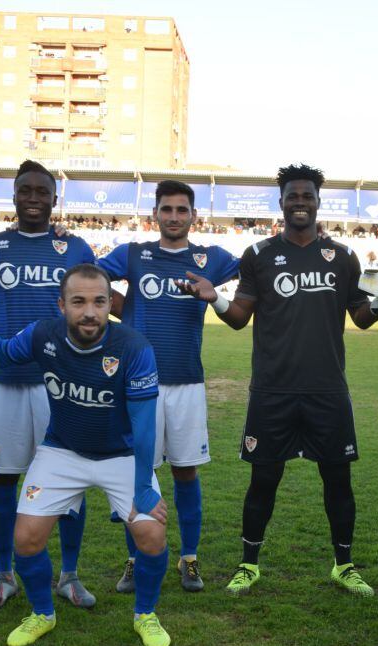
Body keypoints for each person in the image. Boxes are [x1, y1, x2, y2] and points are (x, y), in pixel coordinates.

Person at [177, 163, 378, 596]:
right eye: (293, 196)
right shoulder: (259, 255)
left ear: (317, 202)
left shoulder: (343, 256)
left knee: (338, 481)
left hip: (328, 390)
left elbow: (362, 318)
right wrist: (215, 297)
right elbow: (238, 319)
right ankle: (248, 563)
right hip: (272, 390)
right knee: (263, 481)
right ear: (282, 202)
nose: (300, 203)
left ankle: (343, 565)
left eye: (307, 196)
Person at [0, 264, 172, 646]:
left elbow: (144, 428)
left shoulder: (134, 348)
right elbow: (5, 355)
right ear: (61, 305)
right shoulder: (44, 333)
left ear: (111, 303)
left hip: (121, 455)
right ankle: (43, 612)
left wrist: (144, 486)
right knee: (25, 539)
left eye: (98, 301)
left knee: (152, 535)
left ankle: (146, 614)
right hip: (63, 449)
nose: (90, 312)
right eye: (79, 301)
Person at [0, 160, 98, 610]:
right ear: (13, 196)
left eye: (42, 192)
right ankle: (5, 574)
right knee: (4, 480)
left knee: (70, 480)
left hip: (62, 384)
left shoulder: (74, 247)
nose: (34, 199)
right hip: (7, 382)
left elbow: (96, 304)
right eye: (25, 191)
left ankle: (69, 574)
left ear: (55, 199)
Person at [99, 180, 240, 593]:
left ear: (193, 215)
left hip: (187, 384)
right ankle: (134, 558)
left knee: (185, 472)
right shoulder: (134, 254)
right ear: (155, 214)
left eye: (182, 210)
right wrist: (126, 308)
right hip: (139, 385)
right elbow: (87, 277)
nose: (174, 216)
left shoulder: (210, 258)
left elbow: (256, 269)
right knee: (138, 473)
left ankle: (189, 558)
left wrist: (214, 296)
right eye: (167, 209)